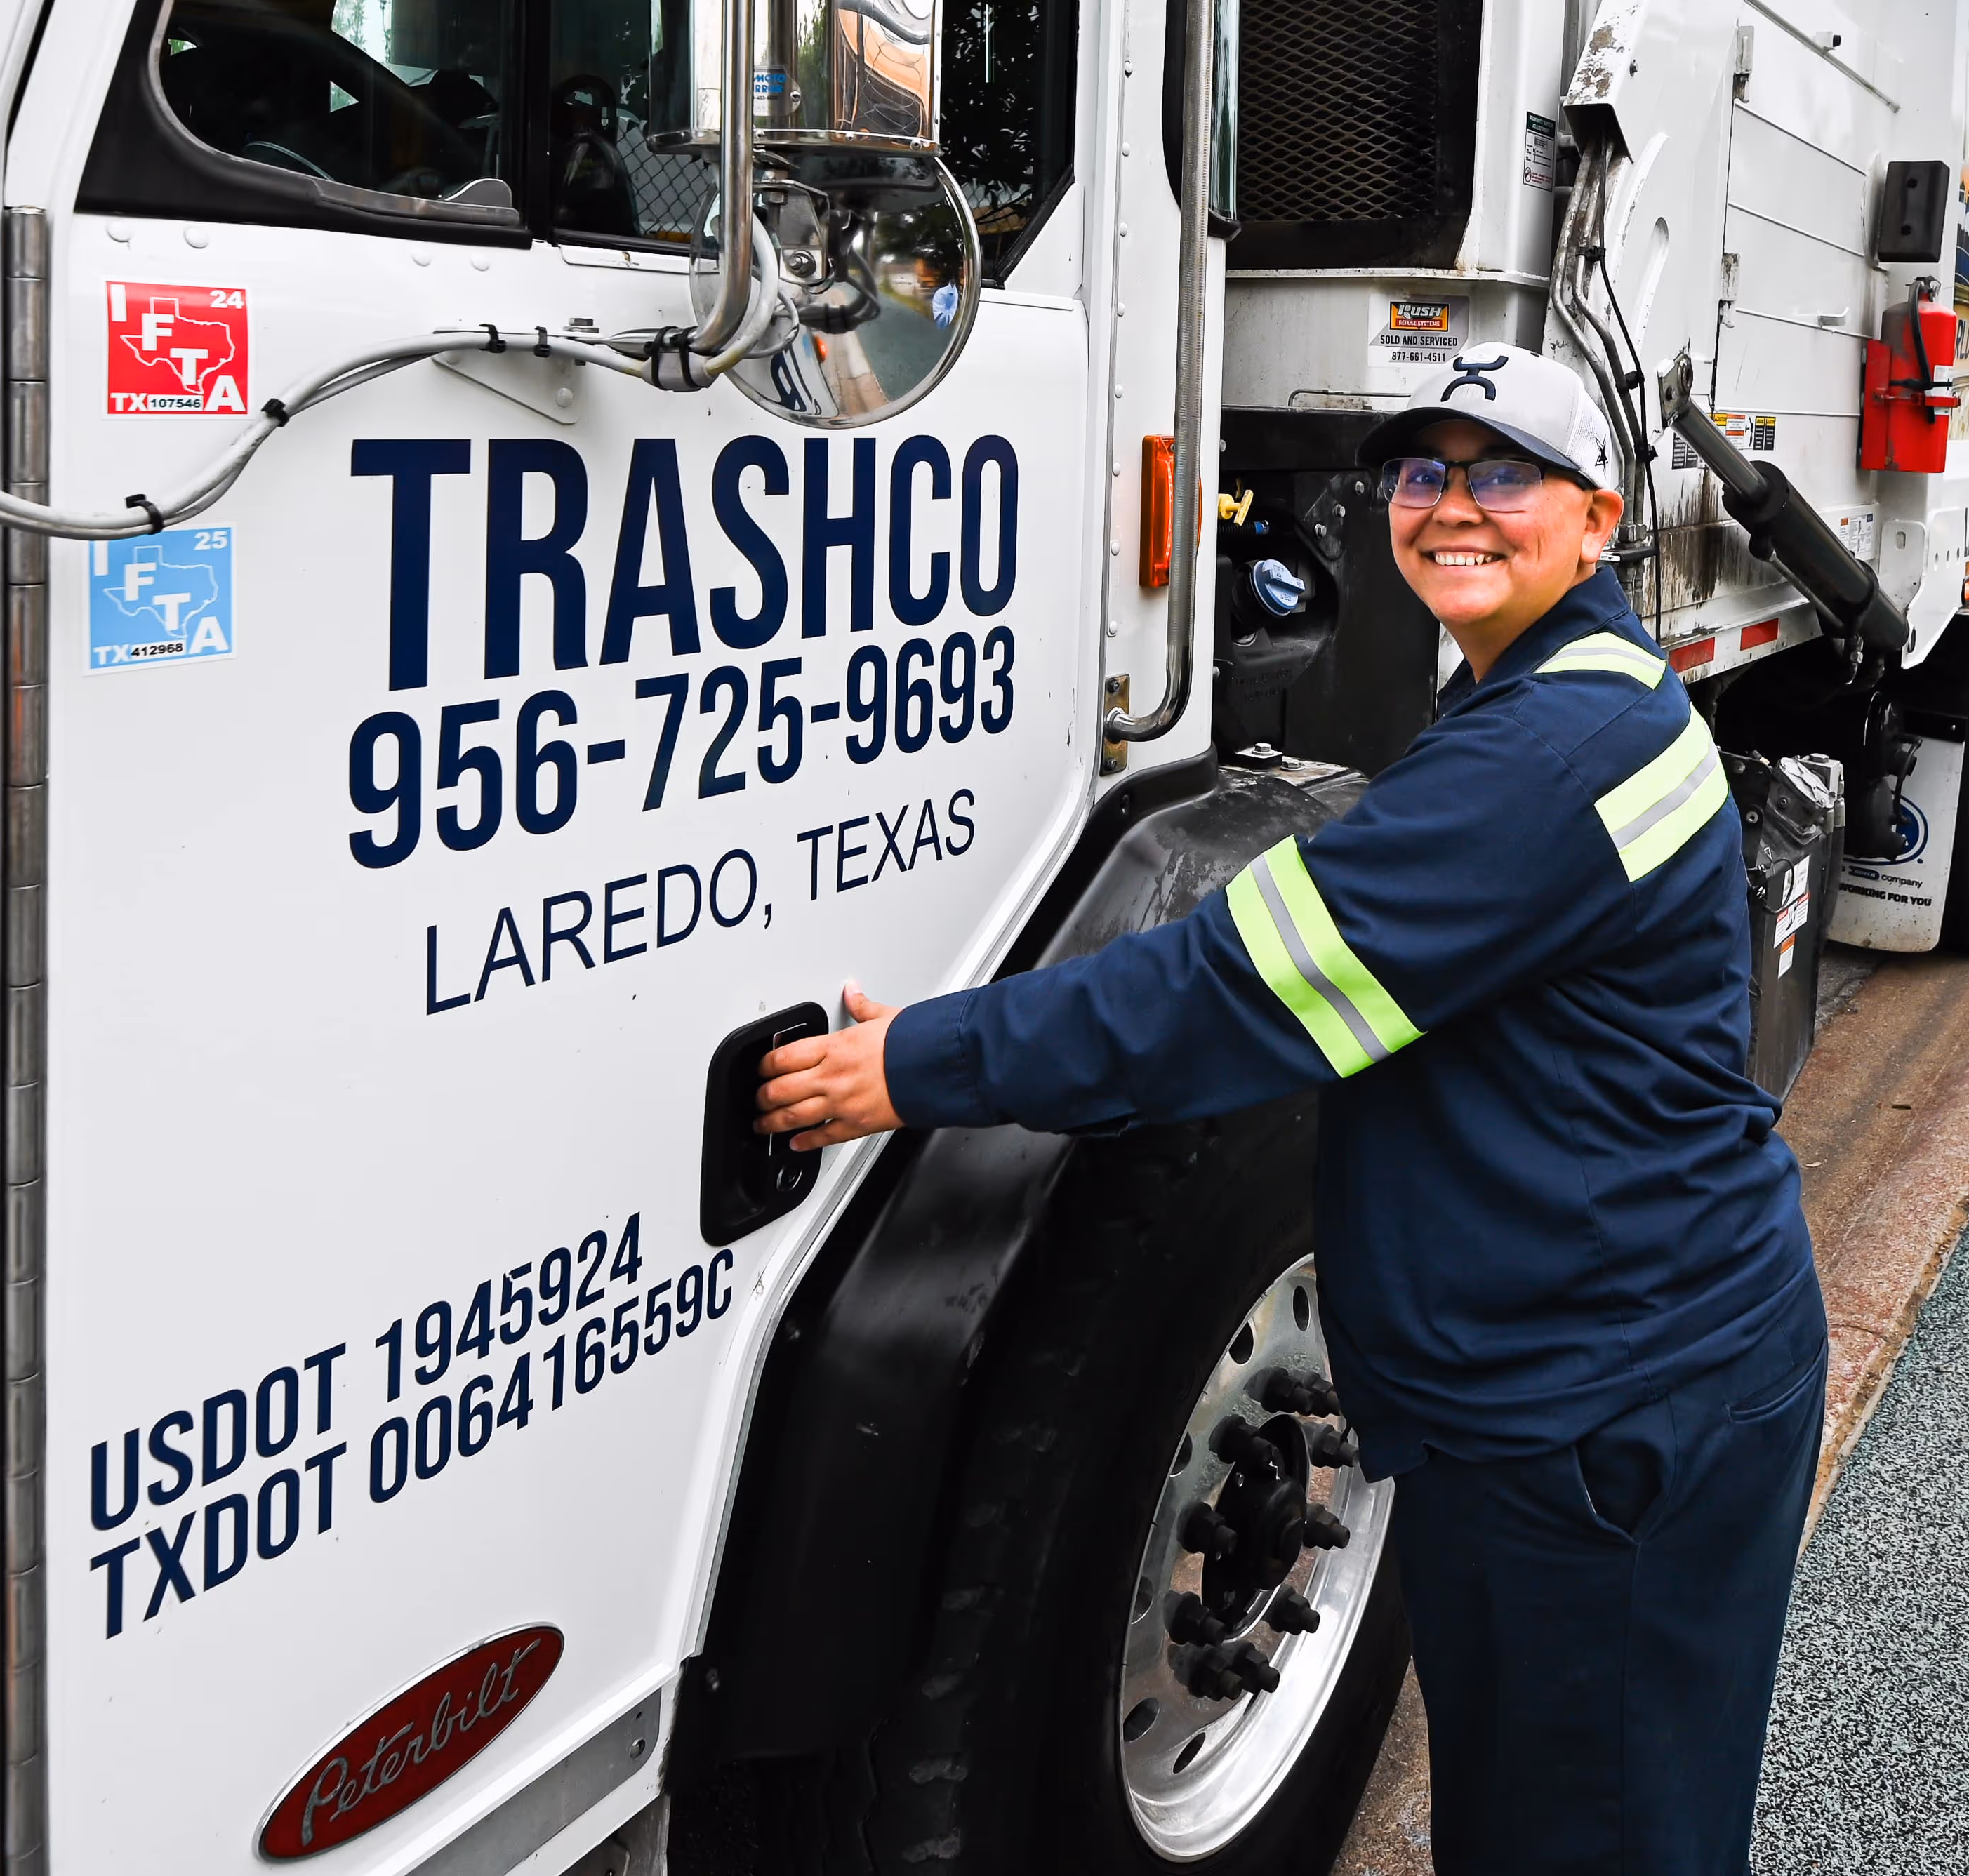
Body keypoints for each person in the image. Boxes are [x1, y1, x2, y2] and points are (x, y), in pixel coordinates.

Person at [754, 344, 1825, 1876]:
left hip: (1600, 1416)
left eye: (1504, 472)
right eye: (1423, 471)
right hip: (1647, 1362)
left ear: (1599, 519)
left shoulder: (1545, 752)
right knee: (1611, 1806)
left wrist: (919, 1060)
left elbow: (1228, 994)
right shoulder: (1586, 693)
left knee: (1579, 1834)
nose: (1453, 506)